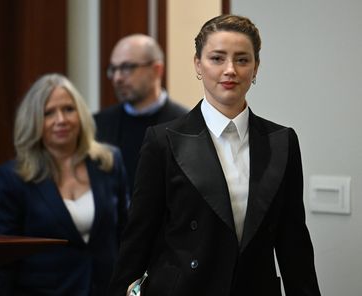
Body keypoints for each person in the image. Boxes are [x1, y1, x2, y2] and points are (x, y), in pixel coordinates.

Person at [108, 14, 321, 296]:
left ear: (256, 68)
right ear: (198, 64)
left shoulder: (282, 142)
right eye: (217, 58)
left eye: (242, 60)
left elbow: (293, 243)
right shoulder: (163, 140)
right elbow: (137, 238)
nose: (230, 69)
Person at [0, 73, 129, 295]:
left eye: (68, 109)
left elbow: (126, 232)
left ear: (81, 114)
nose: (61, 120)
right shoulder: (14, 177)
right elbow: (4, 257)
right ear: (34, 120)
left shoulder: (109, 162)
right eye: (49, 113)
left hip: (107, 288)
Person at [93, 34, 188, 191]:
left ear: (157, 70)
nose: (117, 78)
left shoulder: (187, 125)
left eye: (127, 68)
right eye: (113, 69)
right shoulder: (98, 125)